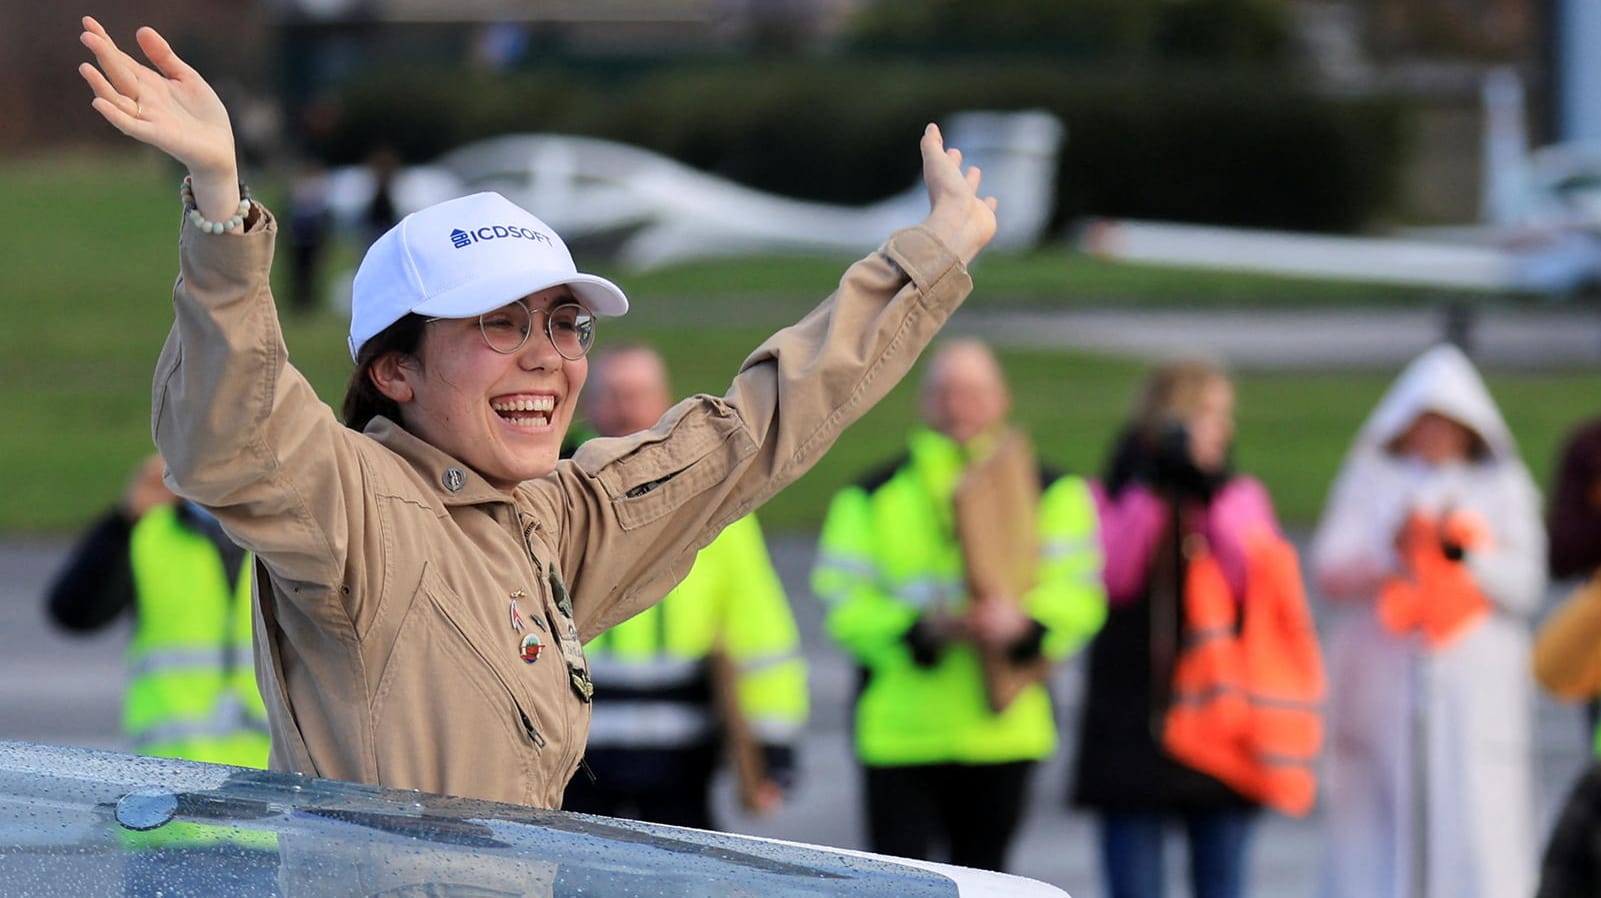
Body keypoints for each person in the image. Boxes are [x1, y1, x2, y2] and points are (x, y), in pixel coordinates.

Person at [77, 17, 997, 810]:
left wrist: (927, 258)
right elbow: (232, 436)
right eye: (500, 324)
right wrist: (219, 208)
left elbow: (760, 426)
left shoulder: (552, 520)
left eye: (565, 324)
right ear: (394, 369)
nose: (549, 358)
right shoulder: (355, 506)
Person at [811, 339, 1106, 872]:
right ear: (923, 402)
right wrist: (923, 630)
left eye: (973, 392)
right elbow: (842, 604)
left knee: (987, 876)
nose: (959, 406)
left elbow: (1081, 591)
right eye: (946, 392)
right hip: (902, 732)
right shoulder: (871, 495)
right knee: (899, 882)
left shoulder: (1054, 490)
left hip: (1004, 726)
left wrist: (1023, 625)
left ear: (1003, 399)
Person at [1309, 343, 1543, 898]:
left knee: (1477, 817)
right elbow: (1330, 567)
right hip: (1385, 687)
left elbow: (1526, 583)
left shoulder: (1500, 485)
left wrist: (1466, 553)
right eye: (1425, 424)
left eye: (1447, 425)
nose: (1435, 437)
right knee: (1377, 821)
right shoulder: (1374, 477)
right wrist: (1391, 548)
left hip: (1472, 693)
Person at [1070, 357, 1291, 898]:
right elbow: (1113, 577)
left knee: (1221, 883)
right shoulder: (1114, 493)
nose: (1225, 429)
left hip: (1219, 727)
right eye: (1211, 414)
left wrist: (1207, 495)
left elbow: (1252, 578)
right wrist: (1152, 489)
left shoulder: (1241, 497)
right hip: (1133, 725)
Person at [562, 344, 807, 828]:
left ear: (666, 401)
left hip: (683, 762)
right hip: (572, 758)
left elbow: (759, 631)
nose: (625, 408)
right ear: (589, 405)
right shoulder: (550, 491)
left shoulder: (711, 496)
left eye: (638, 394)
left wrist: (771, 744)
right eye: (613, 394)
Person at [44, 453, 268, 767]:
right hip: (169, 784)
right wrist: (125, 519)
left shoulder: (292, 536)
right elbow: (73, 613)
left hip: (274, 787)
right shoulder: (152, 530)